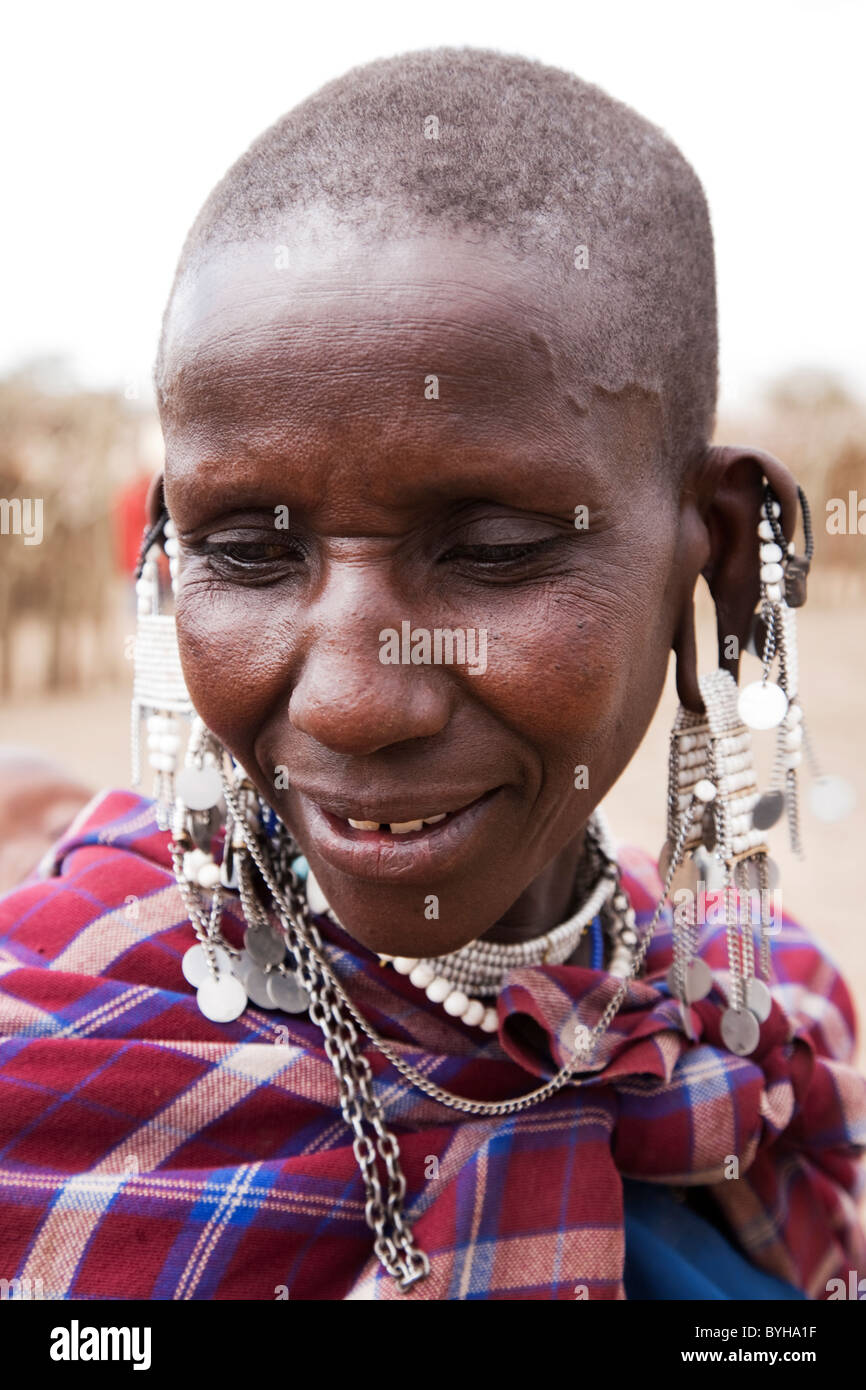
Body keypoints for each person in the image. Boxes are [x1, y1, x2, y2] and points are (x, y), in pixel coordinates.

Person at [0, 47, 863, 1301]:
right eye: (246, 550)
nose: (353, 695)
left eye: (496, 552)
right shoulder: (57, 1062)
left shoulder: (770, 1024)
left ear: (719, 554)